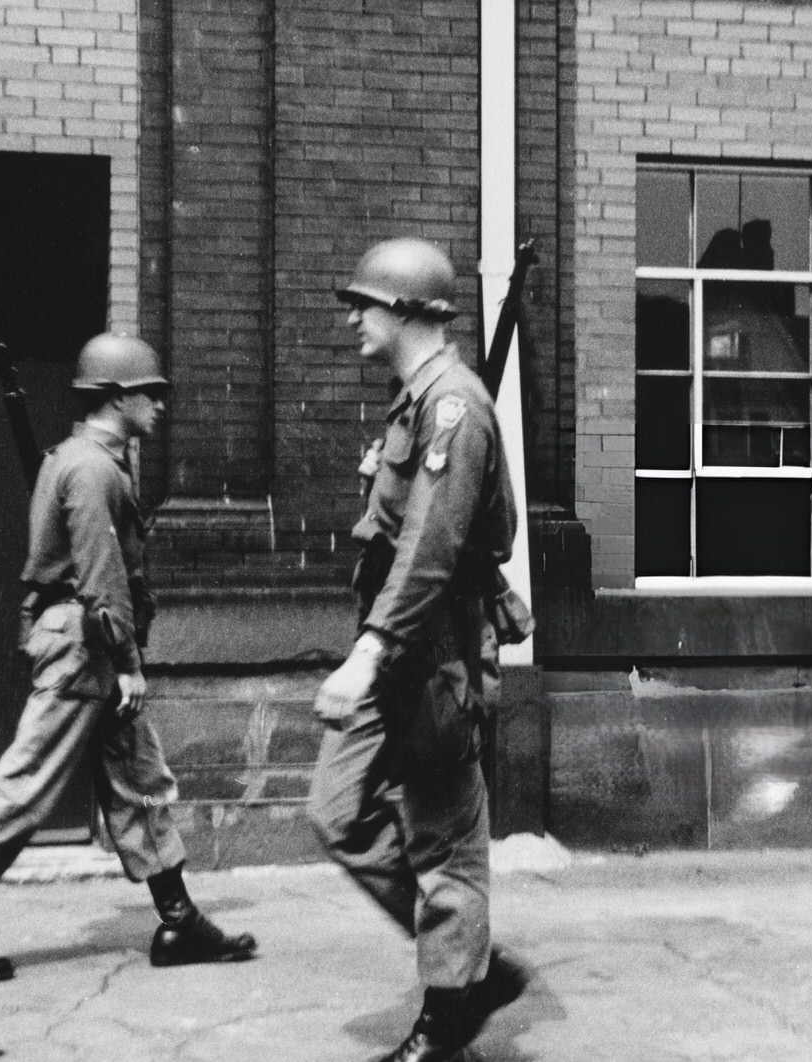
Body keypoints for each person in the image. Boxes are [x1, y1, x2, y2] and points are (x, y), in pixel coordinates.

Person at [0, 332, 257, 981]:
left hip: (83, 639)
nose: (159, 406)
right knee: (30, 780)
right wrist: (128, 661)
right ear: (118, 396)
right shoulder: (94, 468)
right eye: (151, 394)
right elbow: (103, 578)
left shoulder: (74, 459)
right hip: (87, 646)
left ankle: (179, 921)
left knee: (140, 781)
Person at [308, 238, 530, 1062]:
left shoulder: (451, 409)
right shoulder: (415, 405)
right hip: (400, 644)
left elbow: (430, 551)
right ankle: (466, 960)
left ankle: (444, 1022)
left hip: (428, 650)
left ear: (404, 310)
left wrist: (369, 653)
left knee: (444, 839)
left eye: (362, 306)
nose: (353, 323)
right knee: (335, 811)